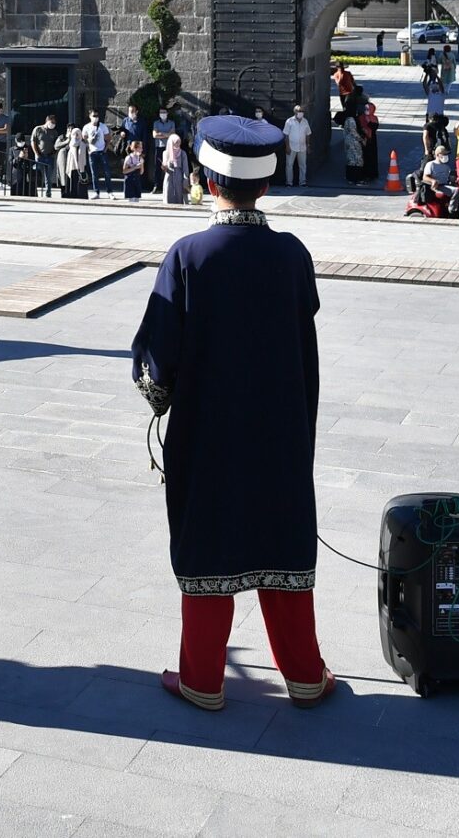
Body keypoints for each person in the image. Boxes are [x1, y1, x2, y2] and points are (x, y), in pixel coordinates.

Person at [133, 116, 332, 712]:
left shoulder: (189, 254)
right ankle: (303, 674)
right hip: (281, 427)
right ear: (265, 187)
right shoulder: (292, 254)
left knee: (209, 538)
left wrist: (160, 402)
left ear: (204, 179)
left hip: (209, 430)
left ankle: (201, 677)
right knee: (281, 537)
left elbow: (155, 362)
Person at [281, 105, 310, 187]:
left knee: (303, 165)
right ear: (295, 112)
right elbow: (286, 135)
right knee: (289, 165)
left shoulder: (305, 121)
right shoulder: (289, 121)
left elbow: (308, 134)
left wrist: (308, 145)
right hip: (291, 146)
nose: (301, 113)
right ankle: (289, 183)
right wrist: (287, 146)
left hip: (302, 147)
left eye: (302, 111)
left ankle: (303, 182)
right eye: (299, 111)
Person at [31, 114, 60, 196]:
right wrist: (36, 153)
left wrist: (54, 152)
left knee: (48, 176)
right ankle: (34, 191)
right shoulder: (38, 129)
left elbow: (56, 144)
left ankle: (48, 192)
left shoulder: (54, 132)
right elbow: (33, 141)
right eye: (52, 122)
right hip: (40, 155)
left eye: (54, 122)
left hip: (50, 156)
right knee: (37, 175)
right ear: (47, 121)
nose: (53, 124)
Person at [161, 131, 191, 208]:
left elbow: (185, 167)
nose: (178, 144)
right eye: (176, 142)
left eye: (179, 142)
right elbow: (164, 166)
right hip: (169, 175)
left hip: (179, 175)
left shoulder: (182, 153)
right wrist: (164, 166)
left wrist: (185, 178)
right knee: (169, 193)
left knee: (179, 194)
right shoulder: (165, 153)